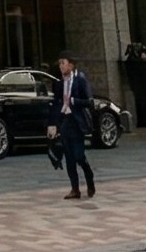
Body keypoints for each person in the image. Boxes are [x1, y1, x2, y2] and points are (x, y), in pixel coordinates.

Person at [54, 55, 95, 200]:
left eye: (63, 63)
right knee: (69, 158)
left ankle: (89, 176)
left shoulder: (80, 81)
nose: (61, 66)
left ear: (71, 66)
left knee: (79, 156)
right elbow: (56, 103)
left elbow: (89, 101)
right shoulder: (59, 84)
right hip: (65, 121)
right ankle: (75, 189)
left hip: (77, 122)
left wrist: (73, 101)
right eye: (60, 64)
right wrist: (53, 124)